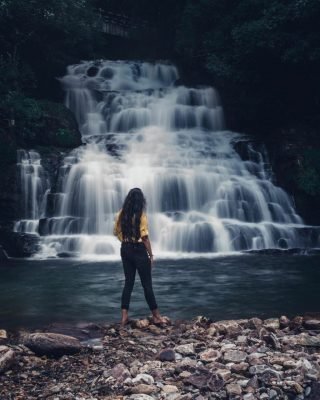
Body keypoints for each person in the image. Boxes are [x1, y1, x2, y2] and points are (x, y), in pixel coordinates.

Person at [113, 188, 164, 326]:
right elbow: (145, 237)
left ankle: (124, 317)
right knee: (147, 284)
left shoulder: (120, 214)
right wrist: (151, 255)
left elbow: (115, 232)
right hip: (139, 250)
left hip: (125, 249)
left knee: (128, 283)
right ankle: (157, 316)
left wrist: (125, 241)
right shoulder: (141, 215)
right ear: (141, 201)